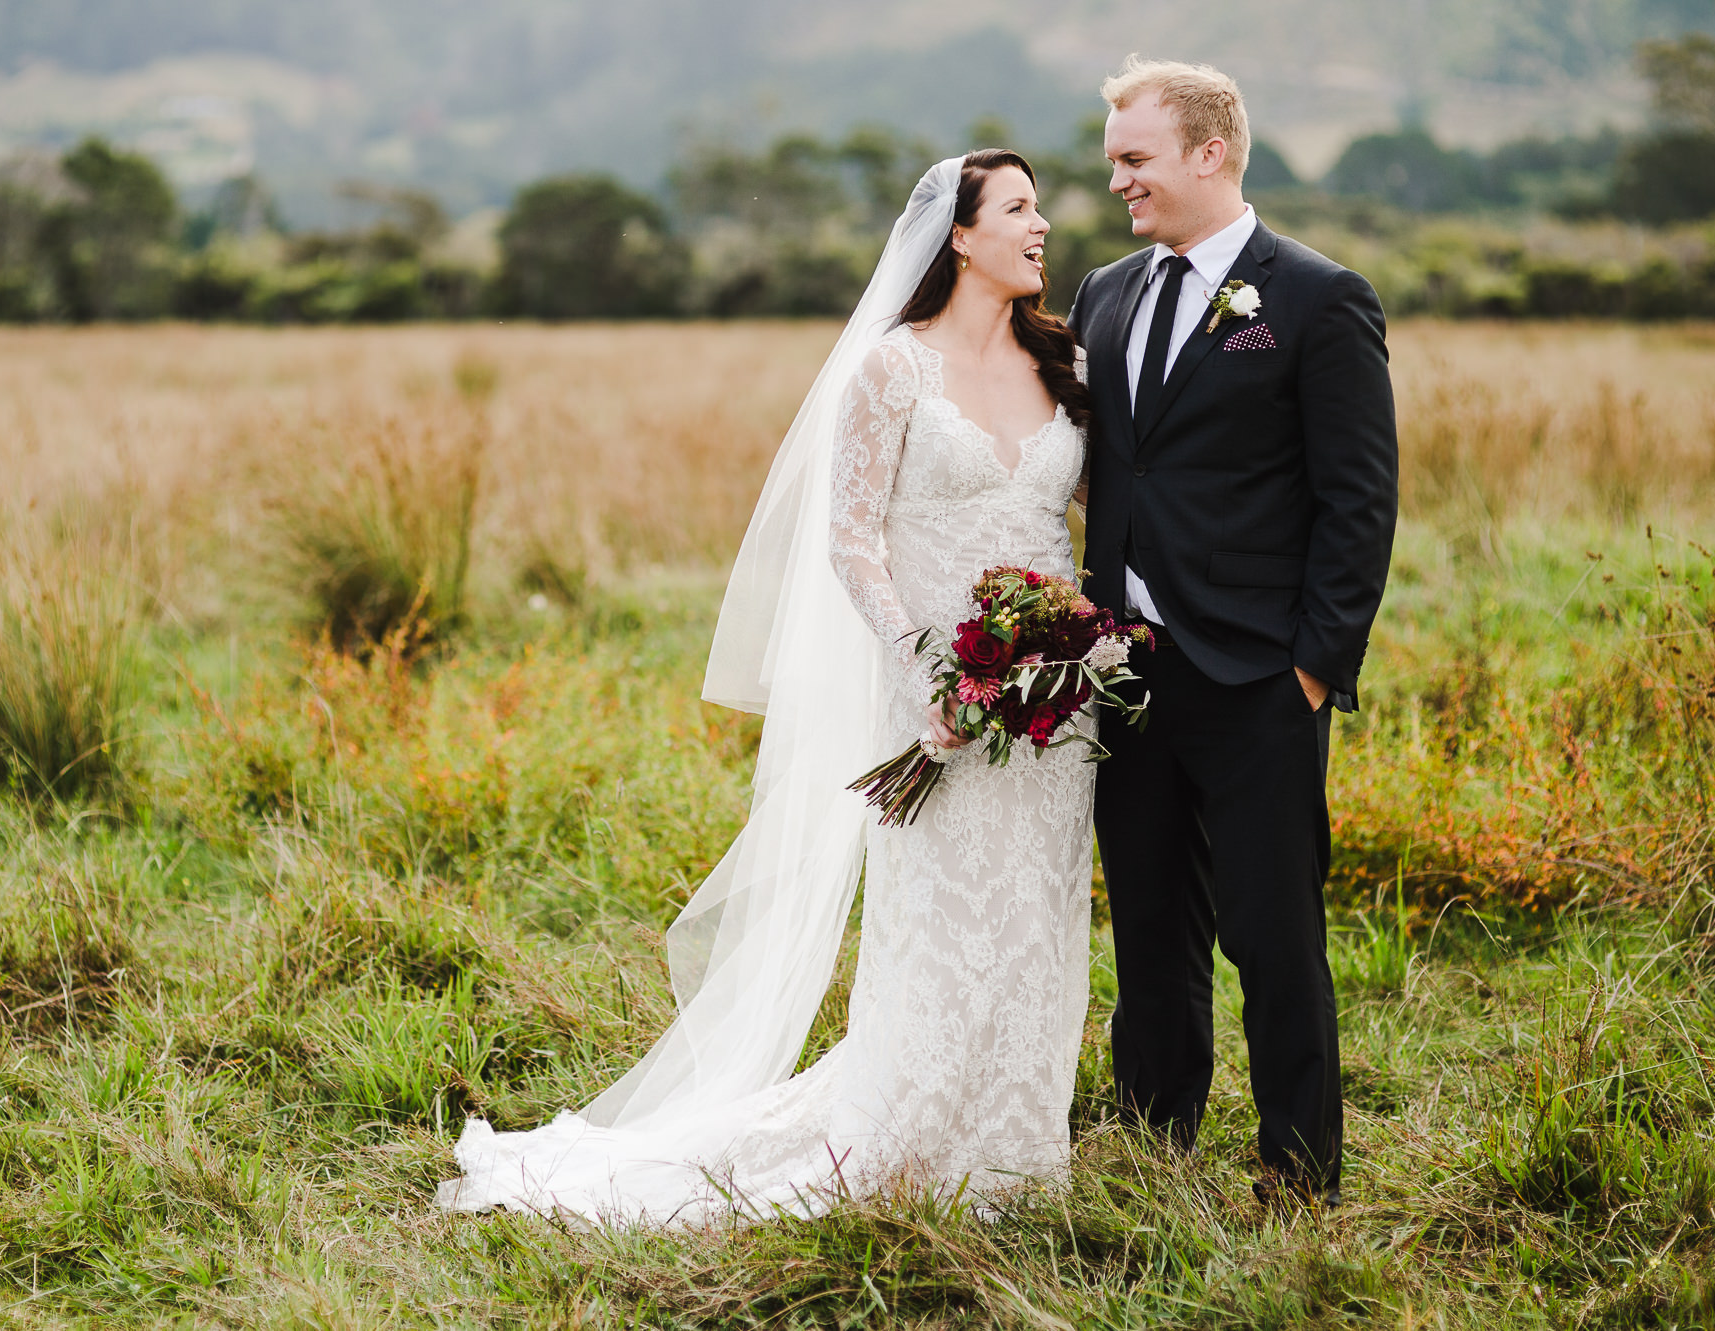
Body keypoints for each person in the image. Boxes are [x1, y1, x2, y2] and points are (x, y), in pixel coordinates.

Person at [439, 150, 1100, 1224]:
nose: (1041, 225)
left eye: (1037, 207)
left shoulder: (1062, 357)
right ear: (959, 238)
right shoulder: (892, 369)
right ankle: (907, 1142)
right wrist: (927, 668)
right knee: (936, 917)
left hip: (1050, 711)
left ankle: (1016, 1152)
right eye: (1018, 209)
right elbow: (848, 542)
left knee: (1036, 912)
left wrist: (1074, 646)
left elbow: (1088, 522)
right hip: (931, 694)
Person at [1066, 56, 1398, 1206]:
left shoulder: (1314, 296)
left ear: (1208, 152)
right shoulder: (1106, 292)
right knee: (1151, 929)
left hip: (1259, 677)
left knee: (1272, 937)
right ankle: (1155, 1146)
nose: (1115, 180)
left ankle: (1296, 1169)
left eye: (1133, 157)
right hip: (1126, 675)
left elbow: (1358, 499)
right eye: (1114, 159)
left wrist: (1313, 666)